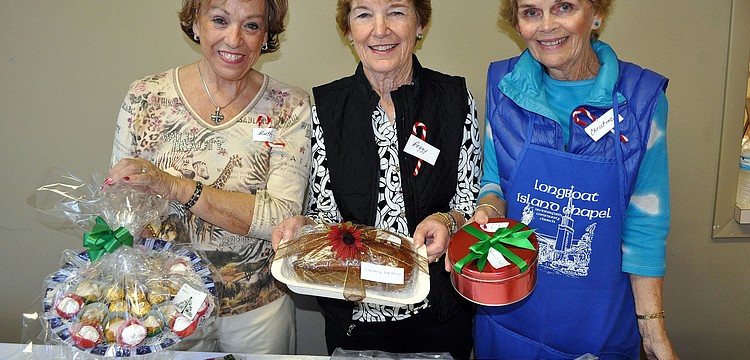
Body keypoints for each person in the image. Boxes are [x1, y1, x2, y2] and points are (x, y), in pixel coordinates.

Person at [271, 0, 479, 358]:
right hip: (354, 315)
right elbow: (324, 214)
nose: (380, 29)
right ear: (349, 31)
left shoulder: (454, 100)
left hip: (439, 314)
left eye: (397, 12)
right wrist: (305, 229)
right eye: (364, 14)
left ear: (420, 25)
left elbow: (470, 201)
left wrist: (448, 220)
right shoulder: (326, 107)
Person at [472, 0, 679, 358]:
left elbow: (645, 228)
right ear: (517, 23)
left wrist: (654, 334)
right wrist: (488, 209)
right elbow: (494, 183)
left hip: (597, 330)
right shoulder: (503, 86)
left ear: (596, 14)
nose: (547, 25)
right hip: (508, 321)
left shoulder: (641, 100)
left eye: (564, 7)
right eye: (530, 12)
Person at [106, 0, 311, 354]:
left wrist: (177, 187)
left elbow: (280, 218)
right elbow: (120, 207)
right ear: (196, 24)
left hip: (256, 309)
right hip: (164, 305)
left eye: (251, 26)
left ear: (266, 35)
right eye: (219, 20)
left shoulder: (289, 107)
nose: (234, 39)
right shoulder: (146, 98)